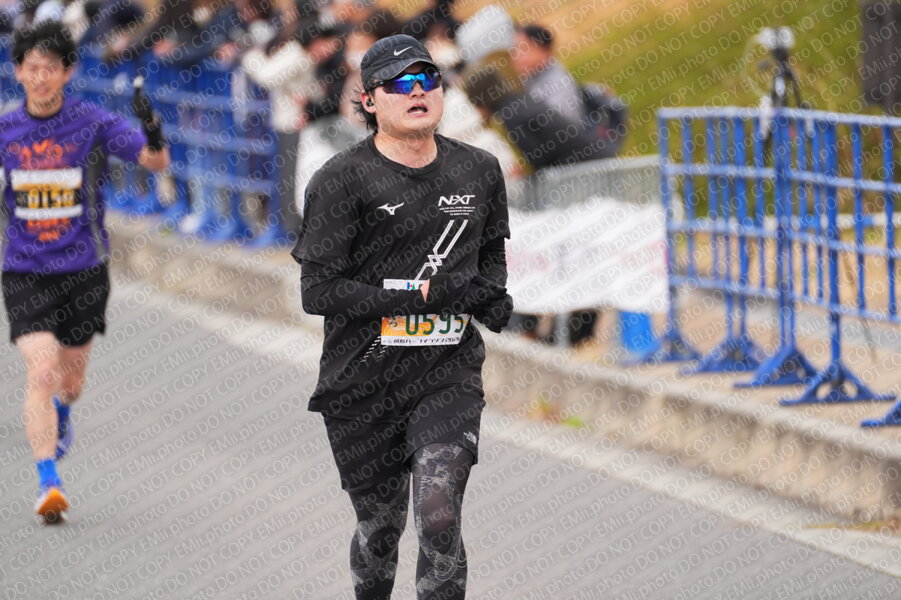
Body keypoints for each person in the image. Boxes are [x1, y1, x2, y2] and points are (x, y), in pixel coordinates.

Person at [293, 34, 512, 600]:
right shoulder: (341, 179)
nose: (417, 92)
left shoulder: (479, 170)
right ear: (369, 100)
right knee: (380, 529)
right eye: (399, 84)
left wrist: (491, 296)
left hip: (446, 374)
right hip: (362, 380)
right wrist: (424, 296)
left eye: (427, 79)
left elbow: (490, 257)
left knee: (438, 514)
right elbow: (317, 291)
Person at [0, 21, 169, 522]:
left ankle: (63, 413)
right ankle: (48, 481)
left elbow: (154, 162)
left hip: (83, 270)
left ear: (68, 72)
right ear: (18, 72)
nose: (41, 78)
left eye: (50, 69)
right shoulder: (5, 130)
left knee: (69, 382)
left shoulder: (91, 122)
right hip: (25, 270)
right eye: (32, 68)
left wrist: (151, 124)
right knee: (42, 370)